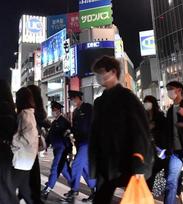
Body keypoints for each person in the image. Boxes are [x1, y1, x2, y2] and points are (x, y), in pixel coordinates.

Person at [89, 56, 152, 204]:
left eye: (101, 72)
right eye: (96, 74)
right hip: (105, 162)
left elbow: (140, 131)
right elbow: (94, 135)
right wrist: (93, 166)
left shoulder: (127, 97)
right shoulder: (99, 102)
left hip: (126, 160)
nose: (98, 77)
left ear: (113, 72)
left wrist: (139, 163)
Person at [64, 90, 96, 202]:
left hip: (88, 142)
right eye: (71, 100)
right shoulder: (75, 112)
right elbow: (75, 127)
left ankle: (74, 190)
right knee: (84, 168)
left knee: (77, 164)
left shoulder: (88, 107)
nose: (72, 101)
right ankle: (95, 190)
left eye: (73, 99)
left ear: (78, 98)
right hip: (79, 143)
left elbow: (95, 123)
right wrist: (69, 131)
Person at [12, 87, 38, 203]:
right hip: (26, 158)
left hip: (22, 159)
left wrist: (12, 141)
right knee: (25, 191)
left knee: (9, 189)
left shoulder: (25, 114)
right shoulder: (28, 113)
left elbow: (28, 137)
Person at [41, 101, 72, 199]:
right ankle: (74, 188)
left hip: (62, 149)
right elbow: (50, 137)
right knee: (65, 170)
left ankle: (48, 189)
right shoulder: (54, 122)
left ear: (59, 110)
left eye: (54, 110)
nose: (53, 111)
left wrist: (69, 152)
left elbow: (68, 136)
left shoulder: (64, 122)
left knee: (55, 167)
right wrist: (45, 146)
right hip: (56, 149)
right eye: (52, 110)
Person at [27, 84, 50, 204]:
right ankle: (33, 196)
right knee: (33, 170)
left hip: (29, 143)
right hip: (33, 143)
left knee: (30, 170)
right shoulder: (39, 108)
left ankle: (32, 196)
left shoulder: (31, 109)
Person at [143, 95, 168, 191]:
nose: (146, 104)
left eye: (148, 102)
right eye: (145, 102)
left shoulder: (160, 117)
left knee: (156, 173)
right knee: (148, 176)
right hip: (147, 151)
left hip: (159, 151)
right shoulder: (143, 117)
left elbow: (164, 133)